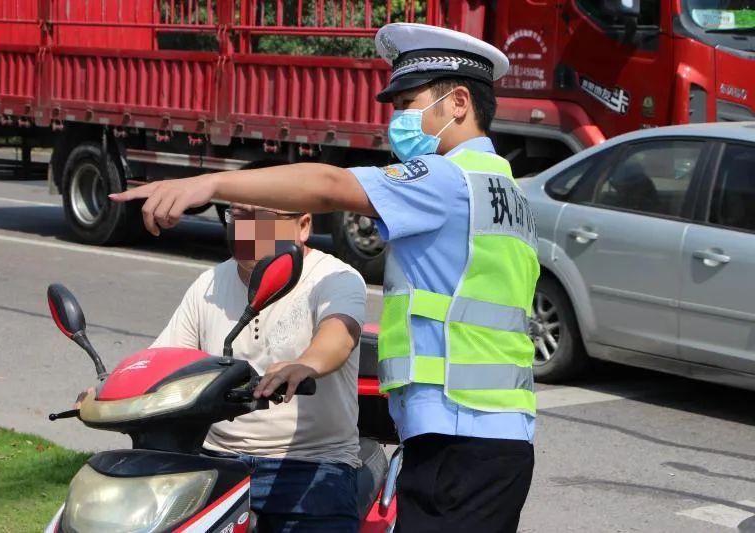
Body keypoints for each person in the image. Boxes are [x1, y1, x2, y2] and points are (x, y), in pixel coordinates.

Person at [111, 22, 539, 533]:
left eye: (409, 101)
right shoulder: (505, 191)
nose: (398, 118)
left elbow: (329, 184)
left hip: (458, 433)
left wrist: (211, 182)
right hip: (493, 432)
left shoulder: (448, 179)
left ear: (459, 103)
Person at [80, 203, 367, 532]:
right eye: (238, 215)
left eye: (261, 217)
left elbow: (339, 336)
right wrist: (109, 390)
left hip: (311, 464)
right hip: (216, 462)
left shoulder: (336, 278)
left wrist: (307, 364)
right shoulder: (209, 284)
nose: (246, 228)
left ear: (303, 226)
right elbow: (163, 358)